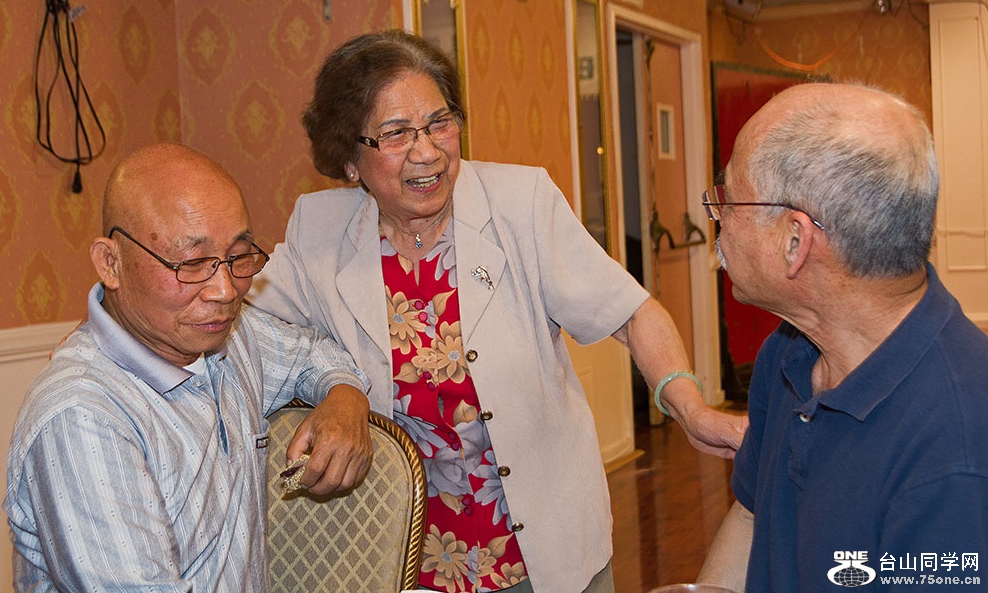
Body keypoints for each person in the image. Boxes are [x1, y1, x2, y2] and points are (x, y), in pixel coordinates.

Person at [247, 29, 747, 593]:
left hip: (544, 550)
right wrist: (339, 389)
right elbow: (245, 334)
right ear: (349, 160)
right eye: (396, 133)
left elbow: (630, 313)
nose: (427, 151)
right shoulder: (318, 231)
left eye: (440, 122)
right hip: (407, 562)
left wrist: (690, 407)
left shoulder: (521, 203)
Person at [4, 143, 374, 591]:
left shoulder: (228, 336)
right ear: (110, 263)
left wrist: (344, 397)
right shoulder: (83, 417)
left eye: (237, 257)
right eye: (193, 263)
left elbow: (312, 353)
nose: (225, 290)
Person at [696, 83, 988, 592]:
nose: (718, 216)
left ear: (795, 241)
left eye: (730, 199)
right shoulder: (787, 352)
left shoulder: (955, 452)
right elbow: (751, 514)